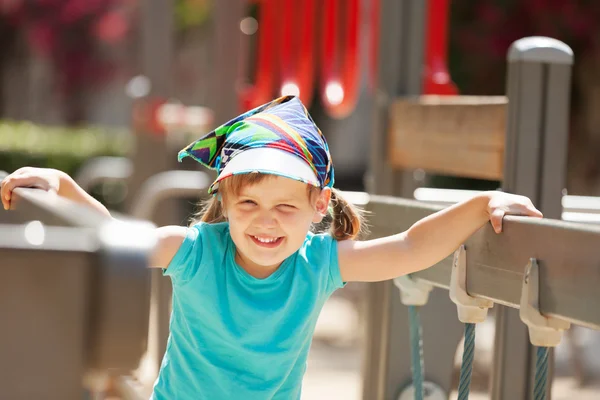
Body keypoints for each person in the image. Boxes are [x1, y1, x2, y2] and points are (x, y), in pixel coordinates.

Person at [0, 95, 542, 399]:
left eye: (286, 207)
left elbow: (408, 248)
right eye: (249, 205)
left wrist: (481, 206)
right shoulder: (193, 250)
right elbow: (112, 240)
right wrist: (64, 185)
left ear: (318, 207)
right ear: (224, 200)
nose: (266, 223)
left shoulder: (318, 263)